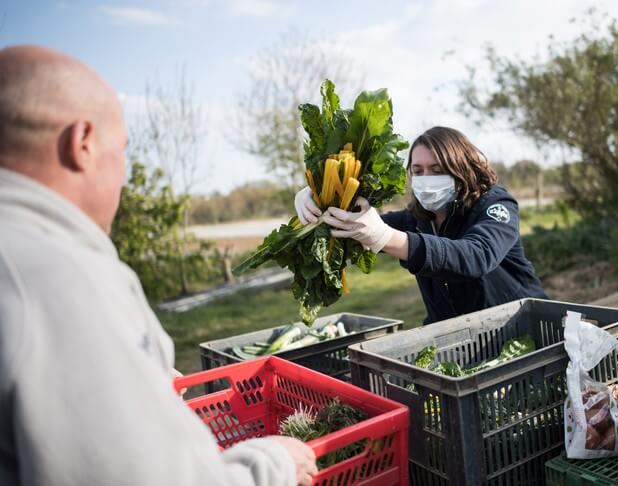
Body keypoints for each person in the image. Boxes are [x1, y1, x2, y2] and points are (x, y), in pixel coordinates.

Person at [0, 45, 317, 486]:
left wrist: (128, 366)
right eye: (122, 150)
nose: (123, 175)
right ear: (83, 143)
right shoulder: (58, 278)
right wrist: (274, 463)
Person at [295, 126, 548, 324]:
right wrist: (318, 197)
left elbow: (477, 256)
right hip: (454, 334)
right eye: (418, 170)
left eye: (437, 170)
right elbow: (357, 226)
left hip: (518, 326)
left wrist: (388, 238)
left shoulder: (495, 204)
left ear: (462, 169)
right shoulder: (415, 218)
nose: (426, 179)